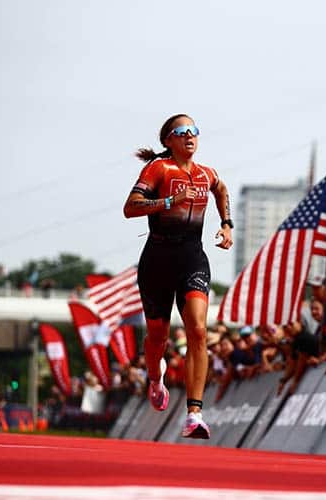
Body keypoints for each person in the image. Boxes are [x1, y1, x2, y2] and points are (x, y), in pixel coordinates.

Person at [123, 113, 232, 439]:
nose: (189, 136)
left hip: (192, 258)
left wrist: (226, 224)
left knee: (198, 329)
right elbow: (131, 207)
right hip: (157, 260)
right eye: (181, 131)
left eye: (193, 130)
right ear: (168, 140)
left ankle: (194, 414)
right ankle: (155, 378)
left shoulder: (206, 173)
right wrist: (170, 200)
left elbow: (221, 188)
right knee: (158, 336)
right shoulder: (159, 169)